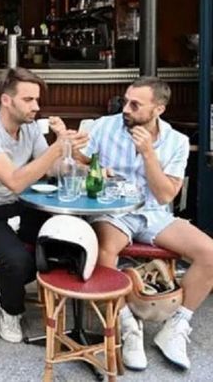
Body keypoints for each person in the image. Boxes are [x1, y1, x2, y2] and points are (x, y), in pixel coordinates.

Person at [81, 76, 213, 371]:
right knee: (105, 250)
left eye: (135, 104)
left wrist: (149, 155)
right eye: (126, 100)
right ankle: (128, 325)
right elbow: (80, 160)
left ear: (158, 109)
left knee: (210, 253)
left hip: (154, 212)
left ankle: (176, 327)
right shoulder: (105, 126)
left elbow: (166, 194)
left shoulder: (176, 142)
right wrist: (88, 163)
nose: (125, 108)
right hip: (113, 210)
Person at [0, 67, 88, 343]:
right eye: (28, 100)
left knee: (61, 244)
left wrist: (73, 154)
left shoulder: (29, 129)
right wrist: (55, 148)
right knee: (18, 259)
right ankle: (11, 310)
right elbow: (14, 180)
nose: (36, 107)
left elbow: (52, 169)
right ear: (6, 100)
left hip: (17, 205)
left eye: (37, 100)